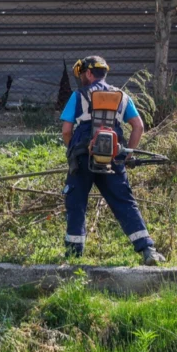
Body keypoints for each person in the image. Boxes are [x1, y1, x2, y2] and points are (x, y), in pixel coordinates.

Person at [60, 56, 166, 266]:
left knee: (76, 202)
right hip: (114, 158)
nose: (82, 78)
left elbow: (66, 131)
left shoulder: (78, 96)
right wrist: (128, 154)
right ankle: (147, 250)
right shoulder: (122, 97)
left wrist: (75, 151)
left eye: (82, 74)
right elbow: (138, 126)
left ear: (89, 73)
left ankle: (73, 257)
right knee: (124, 202)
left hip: (83, 159)